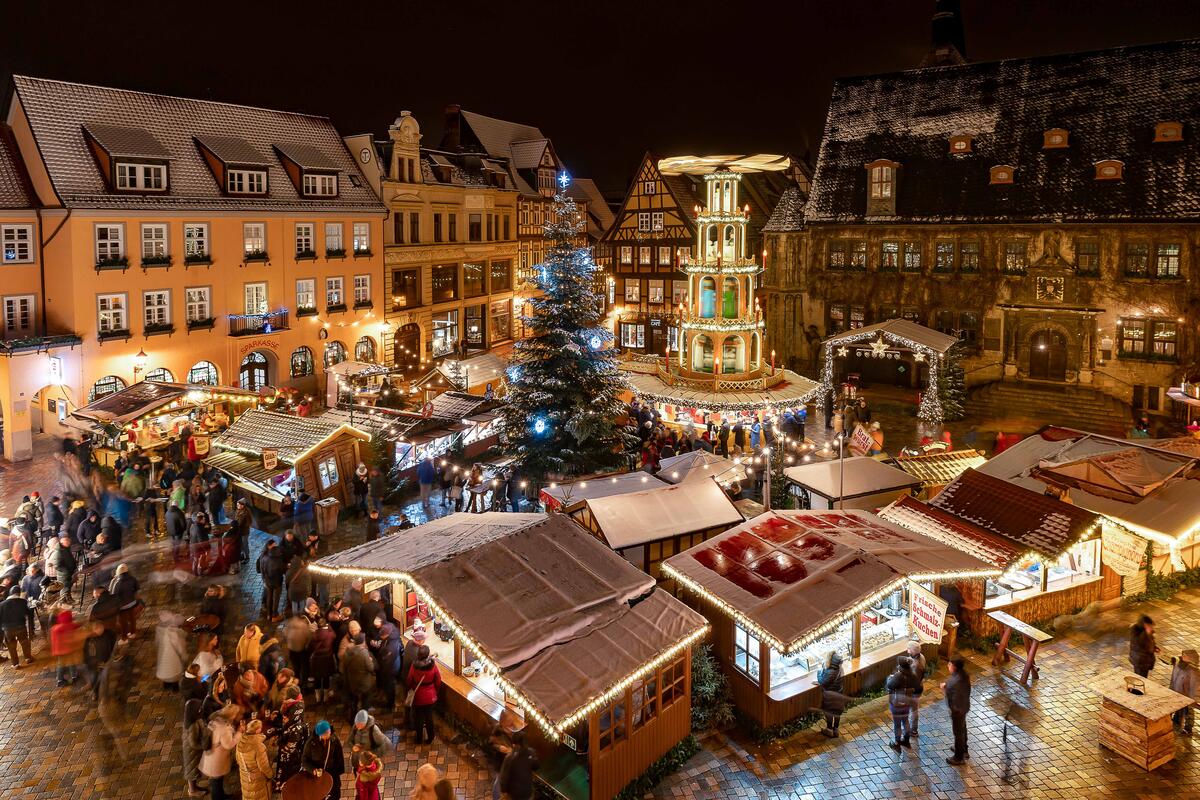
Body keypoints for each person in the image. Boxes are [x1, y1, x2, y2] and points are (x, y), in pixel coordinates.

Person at [200, 705, 242, 800]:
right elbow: (229, 744)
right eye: (235, 714)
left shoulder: (215, 721)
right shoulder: (224, 729)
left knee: (217, 781)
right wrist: (239, 732)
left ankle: (221, 796)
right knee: (216, 782)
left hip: (211, 756)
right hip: (216, 760)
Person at [303, 719, 347, 800]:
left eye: (329, 731)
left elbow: (339, 756)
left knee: (334, 796)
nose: (329, 733)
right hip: (318, 776)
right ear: (320, 735)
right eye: (326, 733)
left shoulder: (334, 739)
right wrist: (313, 770)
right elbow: (304, 760)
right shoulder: (311, 743)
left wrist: (338, 772)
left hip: (332, 774)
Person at [407, 644, 442, 744]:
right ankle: (430, 737)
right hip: (430, 696)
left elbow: (409, 679)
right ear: (427, 655)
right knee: (429, 717)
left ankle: (419, 739)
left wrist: (410, 689)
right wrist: (435, 691)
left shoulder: (414, 666)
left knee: (419, 717)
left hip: (418, 695)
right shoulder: (433, 666)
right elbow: (438, 680)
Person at [941, 656, 972, 765]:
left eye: (949, 664)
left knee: (958, 733)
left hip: (958, 711)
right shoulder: (964, 675)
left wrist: (946, 688)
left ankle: (959, 757)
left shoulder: (954, 682)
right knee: (963, 728)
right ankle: (963, 749)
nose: (947, 666)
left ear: (954, 667)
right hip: (964, 708)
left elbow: (955, 696)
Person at [274, 696, 309, 791]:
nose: (284, 719)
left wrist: (279, 741)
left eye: (285, 716)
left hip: (292, 764)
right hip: (296, 759)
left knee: (291, 786)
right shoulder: (298, 722)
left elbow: (289, 750)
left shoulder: (295, 731)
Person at [885, 656, 920, 751]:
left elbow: (890, 685)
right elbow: (918, 687)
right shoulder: (912, 675)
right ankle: (906, 740)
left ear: (900, 665)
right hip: (907, 704)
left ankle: (897, 743)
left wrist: (889, 678)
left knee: (897, 724)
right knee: (905, 720)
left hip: (896, 704)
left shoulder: (898, 675)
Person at [235, 718, 272, 800]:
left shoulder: (240, 741)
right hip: (257, 780)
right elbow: (264, 767)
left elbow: (237, 759)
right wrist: (270, 775)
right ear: (258, 730)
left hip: (245, 777)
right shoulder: (258, 746)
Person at [342, 633, 376, 720]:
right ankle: (364, 719)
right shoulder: (364, 653)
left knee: (354, 701)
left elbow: (344, 667)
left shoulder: (348, 651)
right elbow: (371, 668)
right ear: (363, 642)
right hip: (364, 683)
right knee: (365, 702)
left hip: (352, 682)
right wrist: (371, 660)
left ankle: (353, 719)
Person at [498, 729, 540, 800]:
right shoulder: (531, 752)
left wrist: (503, 791)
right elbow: (536, 766)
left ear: (515, 744)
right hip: (527, 792)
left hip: (514, 795)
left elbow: (504, 777)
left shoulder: (510, 757)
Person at [155, 611, 190, 690]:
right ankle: (175, 687)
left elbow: (157, 642)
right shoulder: (175, 634)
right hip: (173, 658)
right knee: (174, 671)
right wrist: (184, 657)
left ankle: (166, 684)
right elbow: (180, 647)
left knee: (165, 669)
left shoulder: (160, 632)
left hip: (163, 655)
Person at [815, 650, 846, 738]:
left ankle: (829, 730)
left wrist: (819, 671)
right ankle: (835, 729)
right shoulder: (840, 669)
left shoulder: (830, 672)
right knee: (837, 712)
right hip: (839, 694)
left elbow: (822, 682)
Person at [0, 586, 33, 668]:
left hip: (8, 629)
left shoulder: (1, 605)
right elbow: (28, 613)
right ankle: (28, 658)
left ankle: (15, 664)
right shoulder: (23, 601)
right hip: (21, 626)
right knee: (24, 642)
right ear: (19, 593)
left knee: (11, 646)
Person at [182, 699, 208, 797]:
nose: (200, 709)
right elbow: (193, 743)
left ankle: (194, 787)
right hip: (192, 752)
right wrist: (202, 747)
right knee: (192, 771)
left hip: (192, 752)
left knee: (193, 770)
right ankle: (192, 791)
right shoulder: (192, 726)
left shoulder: (189, 720)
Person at [50, 609, 82, 687]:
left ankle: (60, 680)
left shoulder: (55, 628)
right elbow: (77, 625)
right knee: (72, 662)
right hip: (69, 649)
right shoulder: (70, 626)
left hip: (59, 651)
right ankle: (74, 676)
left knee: (61, 665)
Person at [256, 539, 286, 622]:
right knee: (276, 599)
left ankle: (269, 615)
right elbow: (282, 571)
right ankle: (274, 615)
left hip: (268, 582)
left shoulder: (264, 557)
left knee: (269, 598)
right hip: (277, 583)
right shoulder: (278, 560)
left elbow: (262, 568)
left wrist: (264, 579)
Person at [1171, 649, 1199, 735]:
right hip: (1177, 691)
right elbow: (1173, 678)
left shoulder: (1193, 671)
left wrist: (1193, 699)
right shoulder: (1178, 665)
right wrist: (1171, 689)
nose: (1183, 656)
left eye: (1185, 656)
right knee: (1178, 707)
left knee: (1189, 711)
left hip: (1187, 696)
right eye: (1183, 655)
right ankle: (1176, 720)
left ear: (1191, 659)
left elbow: (1195, 686)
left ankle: (1188, 728)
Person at [110, 563, 140, 639]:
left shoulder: (117, 582)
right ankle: (133, 633)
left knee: (123, 622)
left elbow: (113, 594)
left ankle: (124, 638)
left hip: (122, 606)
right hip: (132, 602)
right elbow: (137, 588)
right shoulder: (133, 578)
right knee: (132, 618)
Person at [906, 640, 926, 736]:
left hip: (914, 690)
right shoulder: (921, 656)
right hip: (919, 686)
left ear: (912, 651)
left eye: (908, 649)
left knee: (913, 710)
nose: (907, 650)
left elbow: (913, 681)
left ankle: (913, 730)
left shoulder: (915, 665)